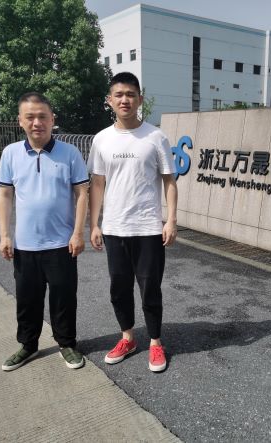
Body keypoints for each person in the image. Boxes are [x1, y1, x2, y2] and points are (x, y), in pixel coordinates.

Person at [88, 72, 177, 372]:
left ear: (140, 99)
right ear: (109, 100)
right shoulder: (101, 139)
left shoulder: (156, 137)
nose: (124, 99)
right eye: (119, 95)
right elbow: (97, 184)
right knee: (119, 288)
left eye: (130, 94)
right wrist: (94, 224)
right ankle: (128, 338)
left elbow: (169, 181)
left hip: (149, 228)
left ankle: (155, 342)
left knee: (150, 288)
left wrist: (171, 220)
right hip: (114, 228)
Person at [0, 92, 90, 371]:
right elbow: (5, 195)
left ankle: (67, 344)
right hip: (25, 245)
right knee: (27, 300)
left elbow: (81, 193)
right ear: (20, 121)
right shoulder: (11, 153)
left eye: (42, 116)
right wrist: (5, 235)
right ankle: (28, 345)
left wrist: (78, 233)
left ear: (52, 120)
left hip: (62, 244)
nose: (36, 122)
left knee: (64, 298)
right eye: (30, 117)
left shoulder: (70, 153)